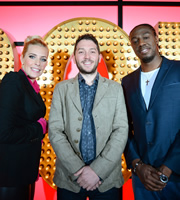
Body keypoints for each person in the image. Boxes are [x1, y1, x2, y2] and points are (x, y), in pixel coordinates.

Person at [49, 33, 128, 200]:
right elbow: (55, 130)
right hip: (69, 178)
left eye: (92, 51)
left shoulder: (115, 89)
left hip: (106, 180)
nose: (86, 57)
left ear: (99, 57)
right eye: (81, 52)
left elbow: (121, 130)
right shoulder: (61, 89)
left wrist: (97, 171)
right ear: (74, 57)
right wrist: (78, 170)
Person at [122, 23, 180, 200]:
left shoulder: (178, 70)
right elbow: (124, 127)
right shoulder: (127, 82)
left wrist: (169, 166)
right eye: (135, 40)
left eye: (145, 37)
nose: (141, 43)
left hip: (176, 176)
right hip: (142, 179)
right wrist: (137, 165)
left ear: (156, 38)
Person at [0, 35, 49, 200]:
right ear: (22, 57)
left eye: (43, 59)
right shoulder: (14, 81)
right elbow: (4, 132)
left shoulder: (29, 85)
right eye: (32, 56)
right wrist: (39, 128)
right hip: (10, 175)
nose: (38, 63)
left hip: (24, 170)